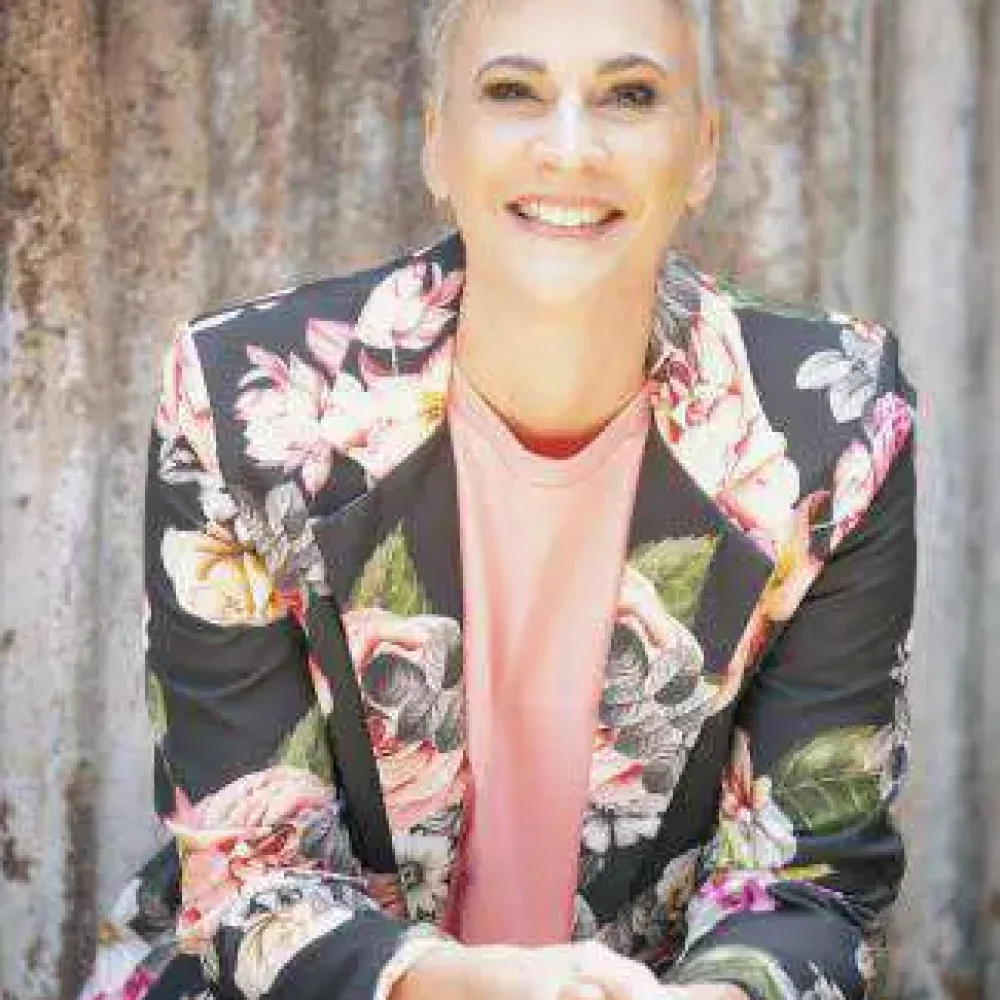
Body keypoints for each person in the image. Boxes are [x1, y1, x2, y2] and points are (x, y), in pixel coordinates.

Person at [81, 1, 916, 999]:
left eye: (629, 95)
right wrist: (455, 984)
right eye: (514, 90)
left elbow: (810, 880)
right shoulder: (245, 400)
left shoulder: (831, 419)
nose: (569, 147)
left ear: (701, 152)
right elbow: (254, 871)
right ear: (438, 143)